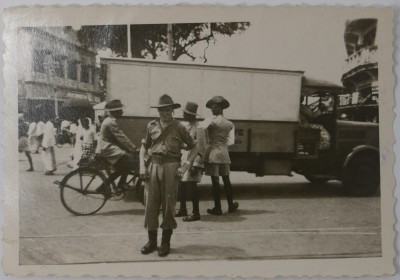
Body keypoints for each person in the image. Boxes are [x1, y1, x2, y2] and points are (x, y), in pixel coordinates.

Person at [139, 94, 199, 257]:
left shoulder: (179, 127)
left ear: (173, 110)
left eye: (168, 110)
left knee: (169, 205)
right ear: (158, 111)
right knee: (150, 205)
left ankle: (165, 242)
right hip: (153, 166)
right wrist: (141, 167)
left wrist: (186, 165)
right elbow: (144, 148)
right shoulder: (151, 126)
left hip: (172, 167)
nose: (165, 113)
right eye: (162, 110)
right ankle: (152, 242)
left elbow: (195, 147)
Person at [202, 96, 239, 215]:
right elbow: (231, 142)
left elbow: (200, 129)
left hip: (213, 153)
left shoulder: (211, 122)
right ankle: (231, 205)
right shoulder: (230, 123)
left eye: (213, 108)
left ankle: (217, 208)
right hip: (224, 153)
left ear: (218, 108)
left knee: (215, 181)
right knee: (226, 179)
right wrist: (222, 144)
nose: (211, 110)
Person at [95, 100, 138, 196]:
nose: (122, 112)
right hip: (106, 148)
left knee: (121, 168)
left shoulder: (109, 120)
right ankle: (121, 184)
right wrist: (133, 148)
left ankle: (104, 186)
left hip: (106, 147)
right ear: (115, 112)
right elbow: (121, 137)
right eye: (120, 110)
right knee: (128, 159)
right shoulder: (110, 122)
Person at [175, 102, 206, 222]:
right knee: (181, 185)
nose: (183, 114)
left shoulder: (199, 129)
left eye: (185, 113)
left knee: (192, 187)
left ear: (191, 115)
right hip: (185, 160)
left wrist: (196, 164)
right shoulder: (187, 127)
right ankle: (183, 209)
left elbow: (201, 147)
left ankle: (196, 213)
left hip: (193, 161)